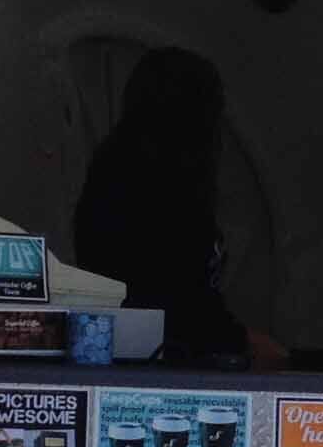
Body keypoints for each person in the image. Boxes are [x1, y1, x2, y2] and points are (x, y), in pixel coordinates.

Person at [71, 47, 287, 370]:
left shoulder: (120, 175)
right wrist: (239, 341)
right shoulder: (145, 187)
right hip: (156, 364)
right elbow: (172, 299)